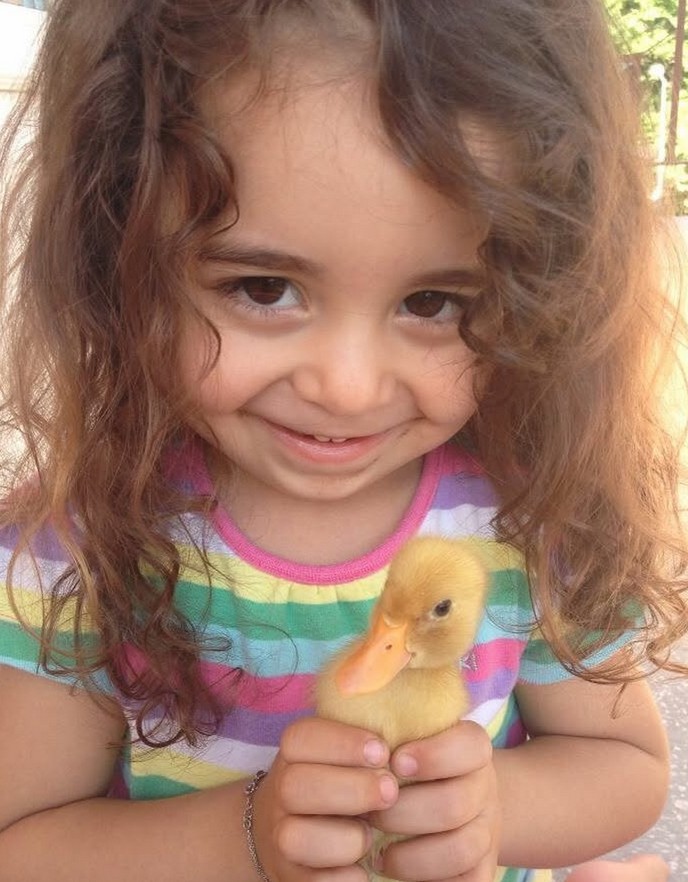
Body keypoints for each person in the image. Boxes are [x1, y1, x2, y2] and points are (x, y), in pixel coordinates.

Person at [0, 1, 685, 880]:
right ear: (119, 261)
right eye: (263, 287)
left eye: (433, 303)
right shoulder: (80, 555)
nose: (349, 387)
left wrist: (491, 812)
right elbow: (21, 845)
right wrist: (247, 836)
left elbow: (624, 765)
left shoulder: (530, 518)